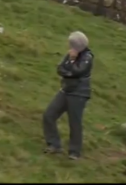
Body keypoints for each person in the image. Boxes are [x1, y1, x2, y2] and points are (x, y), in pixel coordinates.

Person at [43, 31, 94, 161]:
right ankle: (54, 144)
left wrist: (71, 63)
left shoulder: (87, 57)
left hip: (79, 93)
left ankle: (74, 151)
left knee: (74, 122)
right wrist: (69, 71)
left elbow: (78, 71)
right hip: (65, 90)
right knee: (49, 115)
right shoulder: (70, 54)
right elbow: (60, 69)